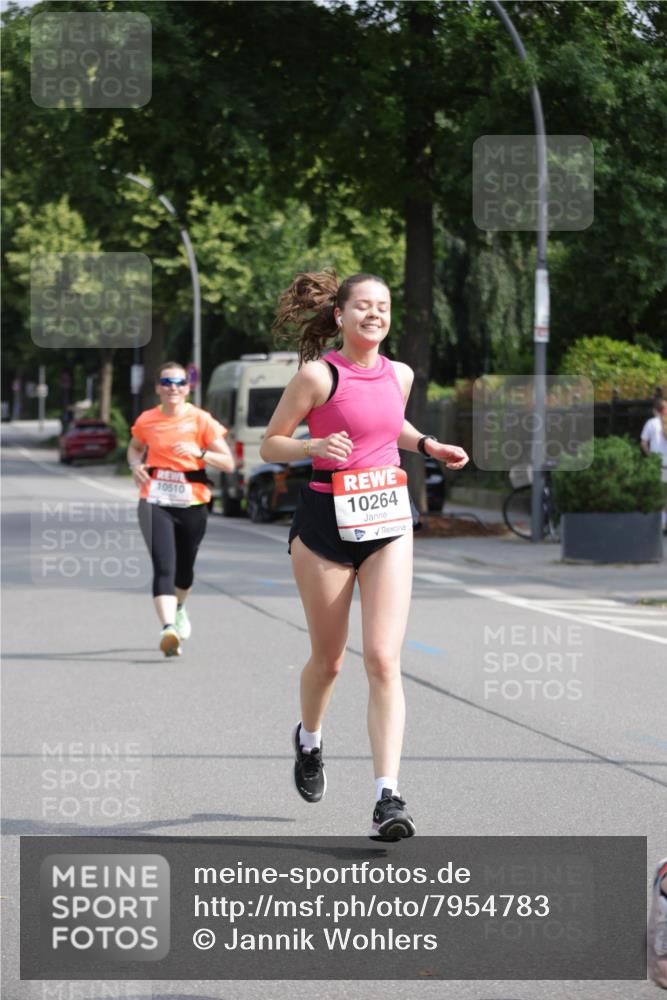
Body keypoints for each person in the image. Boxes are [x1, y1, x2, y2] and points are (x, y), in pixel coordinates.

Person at [261, 270, 469, 841]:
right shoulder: (317, 375)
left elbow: (387, 425)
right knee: (329, 661)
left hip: (386, 521)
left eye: (383, 306)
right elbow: (270, 443)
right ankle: (309, 741)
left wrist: (427, 444)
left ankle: (387, 797)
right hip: (324, 523)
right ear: (340, 315)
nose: (374, 314)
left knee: (382, 659)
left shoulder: (399, 374)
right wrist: (312, 444)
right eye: (363, 306)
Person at [127, 362, 234, 657]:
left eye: (178, 382)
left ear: (188, 388)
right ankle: (167, 628)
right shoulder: (147, 419)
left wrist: (200, 452)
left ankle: (180, 607)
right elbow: (135, 447)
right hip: (154, 500)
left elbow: (228, 463)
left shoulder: (201, 420)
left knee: (184, 569)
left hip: (192, 502)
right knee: (164, 565)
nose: (173, 387)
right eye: (167, 382)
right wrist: (135, 465)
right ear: (158, 387)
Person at [640, 399, 667, 532]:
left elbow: (643, 443)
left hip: (658, 463)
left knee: (660, 494)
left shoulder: (651, 423)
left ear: (654, 410)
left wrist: (650, 456)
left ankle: (662, 524)